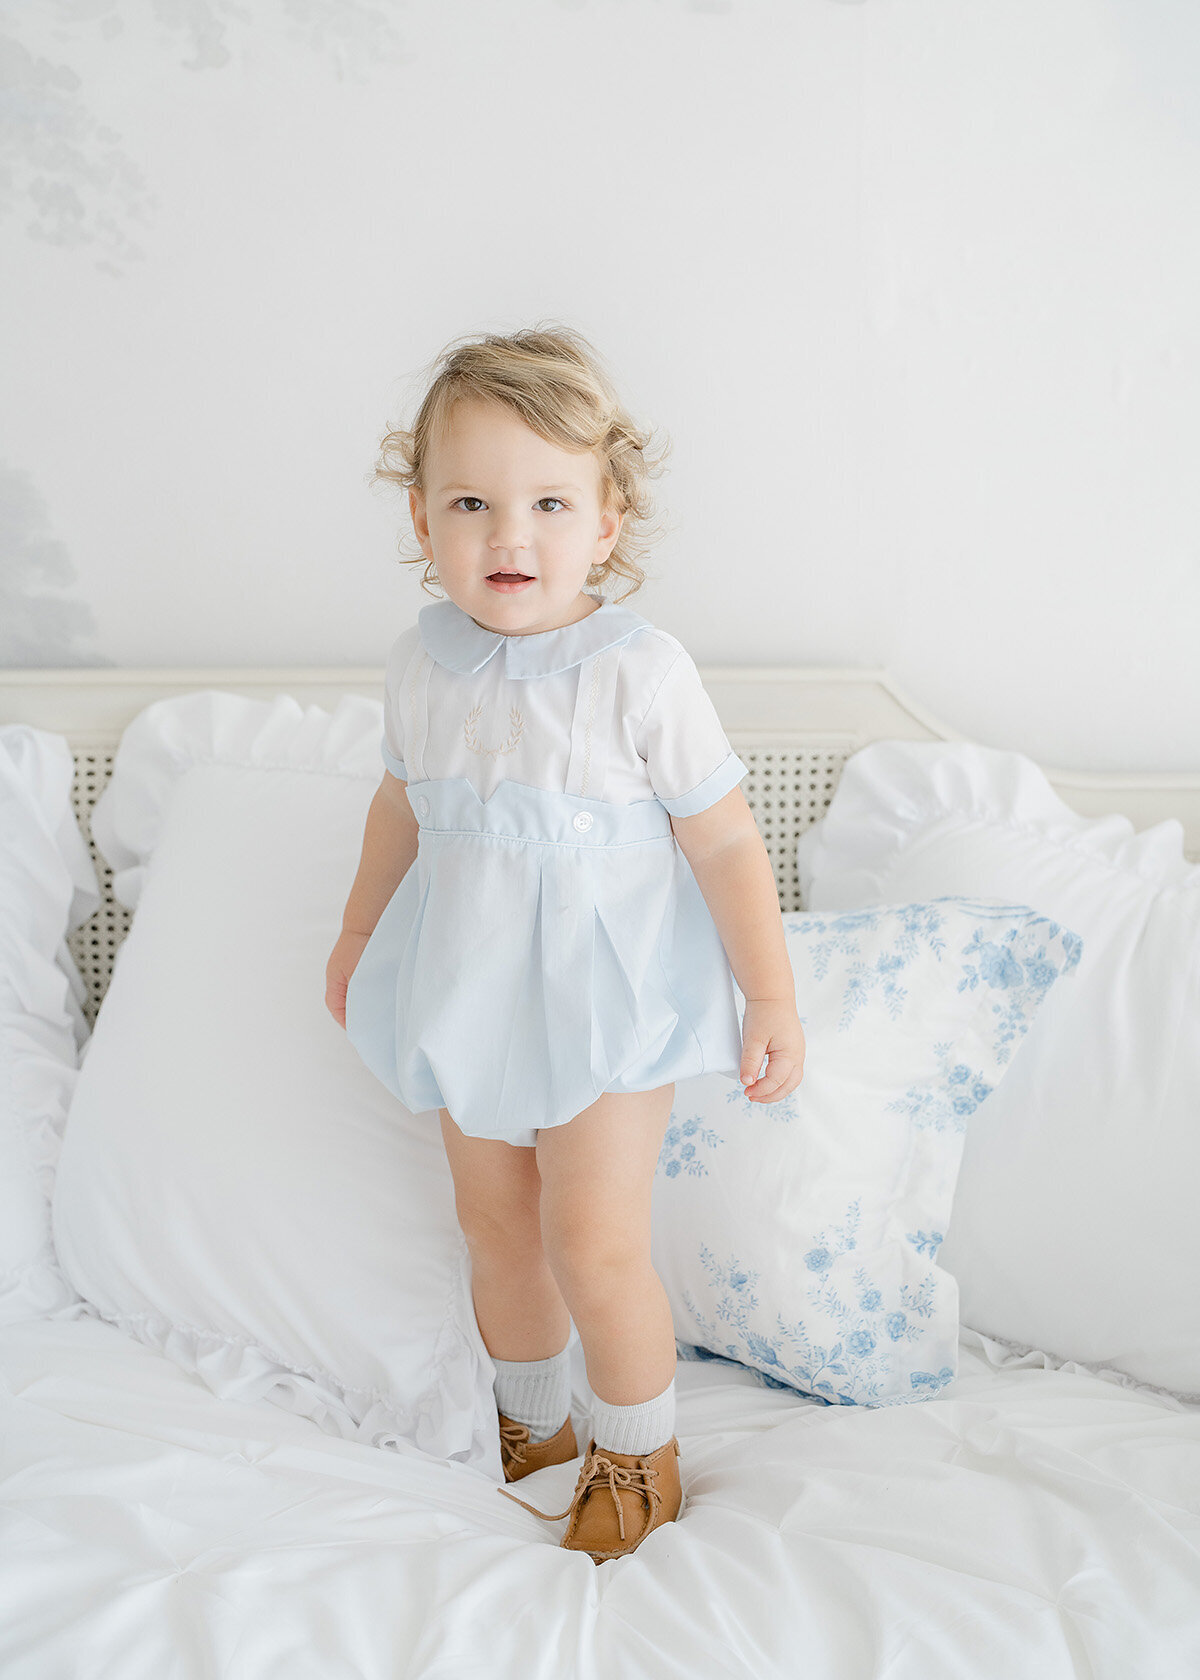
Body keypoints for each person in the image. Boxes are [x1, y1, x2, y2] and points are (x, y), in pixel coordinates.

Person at [326, 324, 806, 1563]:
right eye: (471, 502)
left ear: (607, 522)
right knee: (494, 1222)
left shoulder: (639, 672)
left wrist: (769, 995)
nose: (509, 536)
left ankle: (639, 1453)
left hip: (607, 999)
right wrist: (359, 929)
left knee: (590, 1237)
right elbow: (398, 806)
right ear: (423, 520)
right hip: (470, 985)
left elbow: (724, 844)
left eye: (548, 502)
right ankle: (528, 1434)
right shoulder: (420, 667)